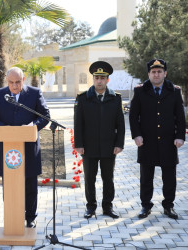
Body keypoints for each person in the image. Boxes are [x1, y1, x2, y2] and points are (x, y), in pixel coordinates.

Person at [0, 67, 50, 228]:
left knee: (30, 185)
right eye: (11, 82)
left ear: (24, 79)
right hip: (8, 149)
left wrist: (32, 126)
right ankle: (13, 216)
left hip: (29, 148)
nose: (14, 86)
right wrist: (4, 128)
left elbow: (45, 116)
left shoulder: (34, 93)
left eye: (18, 82)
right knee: (10, 185)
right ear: (7, 81)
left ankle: (30, 217)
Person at [129, 59, 185, 219]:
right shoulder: (140, 91)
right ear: (149, 74)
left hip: (169, 142)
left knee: (169, 178)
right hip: (147, 141)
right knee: (146, 177)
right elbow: (133, 116)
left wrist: (180, 136)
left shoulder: (174, 91)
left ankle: (169, 206)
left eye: (159, 71)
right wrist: (136, 135)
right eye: (153, 72)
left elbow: (180, 117)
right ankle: (145, 206)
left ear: (165, 74)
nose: (156, 74)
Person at [74, 61, 125, 219]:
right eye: (97, 77)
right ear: (93, 79)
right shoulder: (83, 98)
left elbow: (121, 124)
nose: (99, 81)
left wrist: (119, 144)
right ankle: (91, 207)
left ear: (107, 80)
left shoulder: (115, 99)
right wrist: (79, 144)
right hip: (88, 147)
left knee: (108, 178)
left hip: (109, 147)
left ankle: (107, 207)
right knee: (89, 178)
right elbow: (78, 124)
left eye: (103, 78)